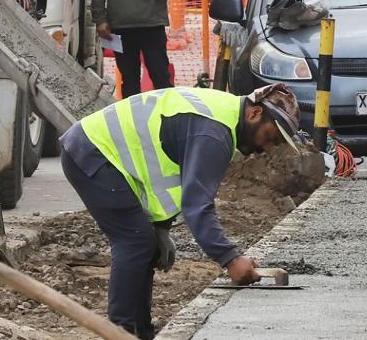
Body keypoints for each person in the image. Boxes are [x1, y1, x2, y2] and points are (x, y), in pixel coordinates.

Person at [60, 84, 301, 339]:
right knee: (135, 242)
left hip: (97, 150)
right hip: (92, 151)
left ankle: (140, 333)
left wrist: (161, 228)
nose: (269, 148)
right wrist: (230, 259)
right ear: (254, 114)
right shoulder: (214, 133)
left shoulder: (220, 116)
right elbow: (197, 205)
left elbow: (167, 177)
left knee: (144, 243)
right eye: (272, 136)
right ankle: (119, 332)